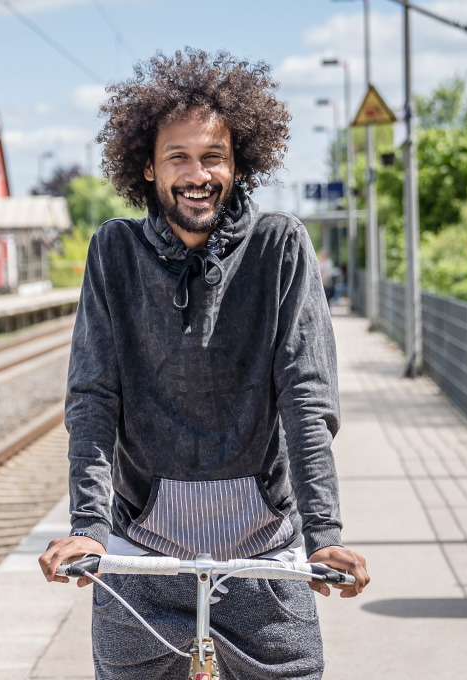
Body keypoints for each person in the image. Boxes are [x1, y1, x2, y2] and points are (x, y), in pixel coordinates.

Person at [38, 48, 369, 680]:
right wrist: (88, 526)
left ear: (238, 162)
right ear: (149, 167)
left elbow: (306, 397)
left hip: (263, 548)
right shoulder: (114, 251)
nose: (198, 174)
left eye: (213, 156)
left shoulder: (281, 246)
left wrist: (323, 532)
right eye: (179, 157)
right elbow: (92, 398)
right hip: (142, 550)